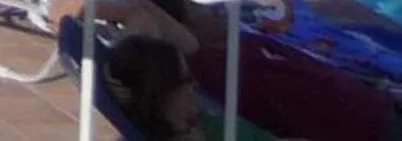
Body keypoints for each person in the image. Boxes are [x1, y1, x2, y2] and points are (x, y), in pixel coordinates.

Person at [85, 0, 402, 141]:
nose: (218, 10)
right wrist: (77, 9)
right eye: (201, 6)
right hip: (372, 128)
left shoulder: (228, 47)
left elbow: (143, 9)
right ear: (181, 25)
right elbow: (143, 11)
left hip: (379, 105)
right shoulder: (209, 67)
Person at [105, 34, 278, 140]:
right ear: (162, 92)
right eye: (186, 80)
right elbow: (140, 12)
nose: (194, 85)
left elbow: (142, 13)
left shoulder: (204, 123)